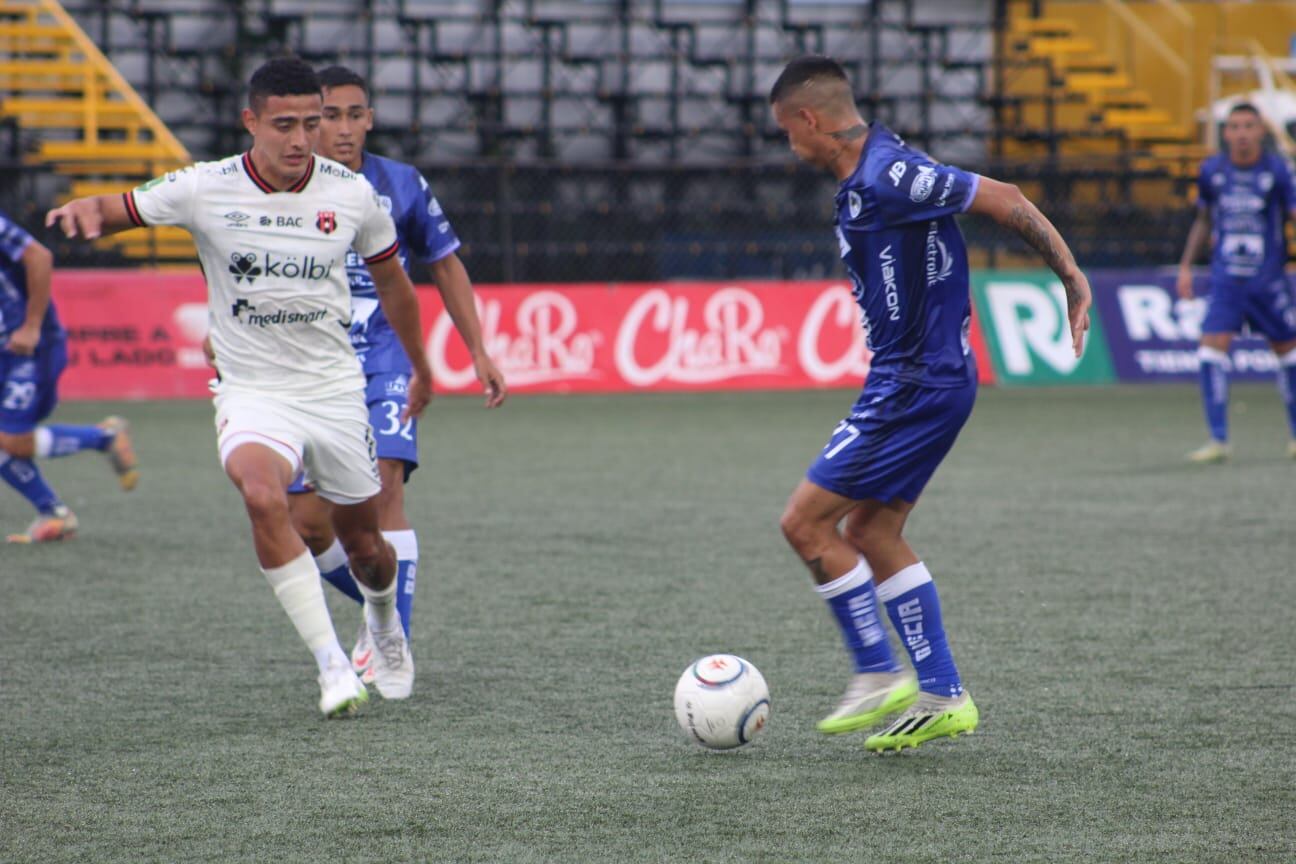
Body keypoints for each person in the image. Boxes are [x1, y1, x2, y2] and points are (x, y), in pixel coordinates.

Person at [46, 57, 425, 718]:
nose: (301, 139)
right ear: (250, 122)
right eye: (284, 125)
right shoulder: (205, 187)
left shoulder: (352, 195)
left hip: (334, 389)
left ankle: (385, 623)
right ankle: (332, 665)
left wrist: (421, 363)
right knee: (259, 493)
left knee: (367, 549)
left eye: (311, 122)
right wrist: (85, 210)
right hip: (252, 390)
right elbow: (123, 209)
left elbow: (394, 282)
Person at [769, 56, 1091, 752]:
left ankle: (879, 671)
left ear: (809, 120)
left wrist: (1070, 276)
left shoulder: (889, 174)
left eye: (788, 134)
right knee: (871, 533)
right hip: (916, 379)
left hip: (915, 383)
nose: (790, 149)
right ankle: (944, 693)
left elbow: (1003, 196)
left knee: (804, 524)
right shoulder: (867, 176)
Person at [285, 65, 505, 685]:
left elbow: (445, 263)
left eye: (356, 114)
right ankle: (382, 611)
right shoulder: (284, 187)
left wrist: (477, 349)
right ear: (308, 121)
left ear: (371, 118)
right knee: (306, 523)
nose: (344, 128)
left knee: (385, 489)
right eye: (331, 115)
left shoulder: (401, 184)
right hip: (310, 362)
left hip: (384, 354)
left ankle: (390, 642)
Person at [0, 210, 137, 543]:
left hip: (30, 346)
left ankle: (102, 438)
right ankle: (55, 514)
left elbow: (39, 256)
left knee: (10, 438)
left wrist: (31, 326)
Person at [1176, 102, 1296, 463]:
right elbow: (1203, 220)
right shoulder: (1212, 170)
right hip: (1226, 279)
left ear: (1261, 131)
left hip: (1268, 282)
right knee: (1210, 350)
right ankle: (1218, 440)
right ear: (1225, 134)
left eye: (1249, 126)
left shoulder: (1277, 170)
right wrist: (1185, 266)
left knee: (1289, 353)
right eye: (1235, 127)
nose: (1242, 133)